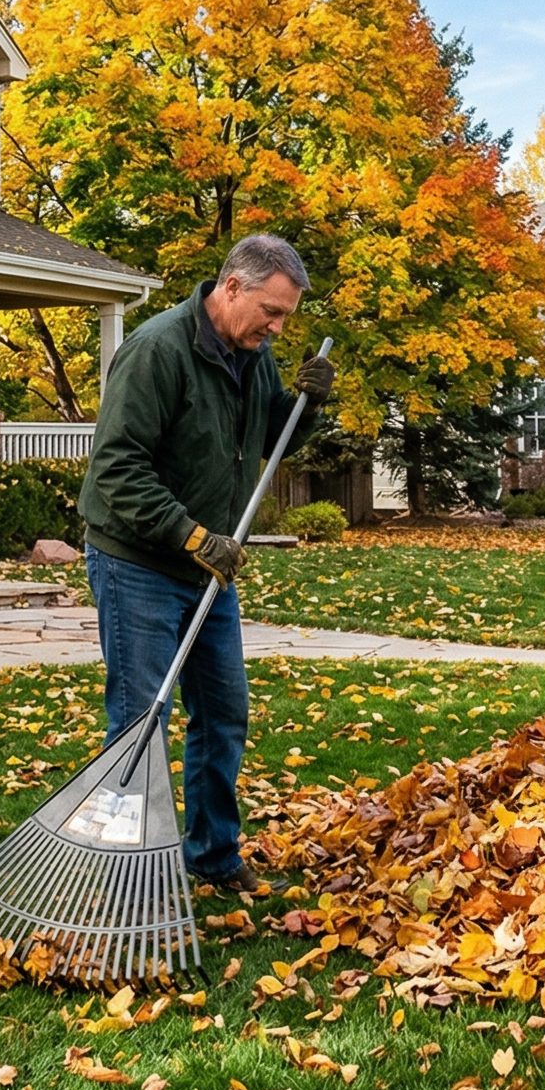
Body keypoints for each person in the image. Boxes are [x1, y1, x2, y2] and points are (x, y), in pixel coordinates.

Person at [78, 235, 334, 895]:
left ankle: (213, 855)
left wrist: (305, 407)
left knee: (224, 713)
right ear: (230, 288)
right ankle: (125, 873)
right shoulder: (158, 351)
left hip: (207, 566)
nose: (278, 327)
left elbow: (266, 439)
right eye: (272, 311)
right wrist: (191, 536)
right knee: (140, 722)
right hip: (138, 561)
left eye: (286, 317)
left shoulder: (256, 357)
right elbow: (116, 470)